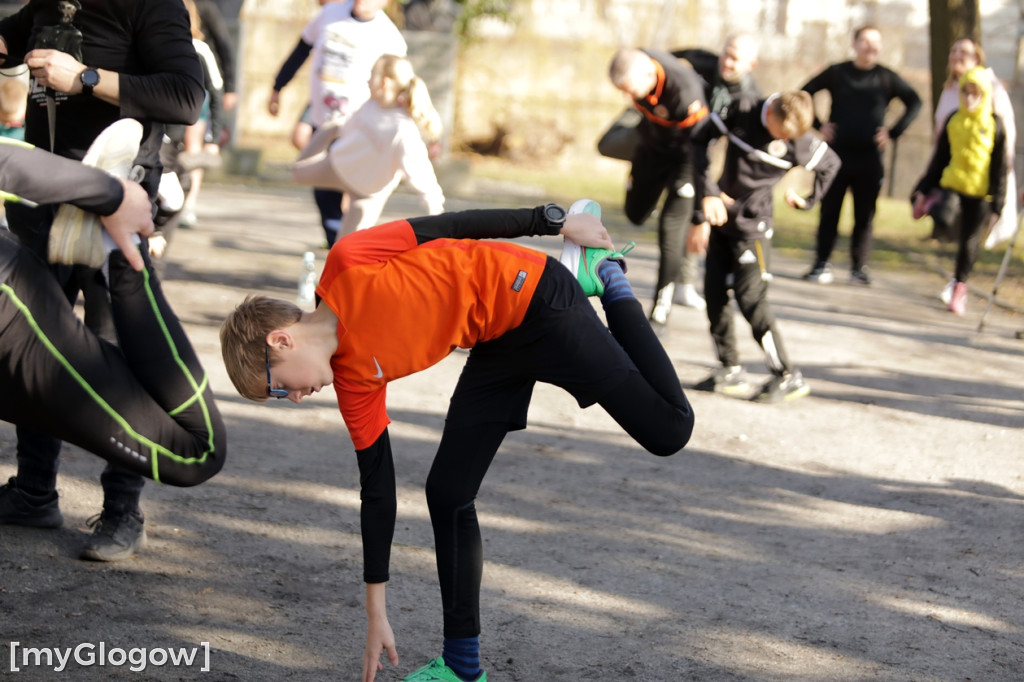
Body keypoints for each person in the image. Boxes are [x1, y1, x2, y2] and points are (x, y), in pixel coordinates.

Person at [219, 201, 694, 682]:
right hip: (497, 339)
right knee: (447, 492)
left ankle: (608, 278)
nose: (294, 398)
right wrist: (375, 613)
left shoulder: (350, 261)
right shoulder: (353, 383)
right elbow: (378, 492)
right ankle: (463, 667)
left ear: (281, 341)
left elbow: (453, 226)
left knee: (669, 431)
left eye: (278, 388)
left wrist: (554, 221)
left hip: (537, 297)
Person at [0, 0, 205, 561]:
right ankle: (34, 491)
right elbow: (6, 41)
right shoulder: (48, 2)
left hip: (117, 199)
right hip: (44, 198)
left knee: (119, 353)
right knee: (36, 351)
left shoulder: (150, 6)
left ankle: (122, 512)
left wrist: (85, 79)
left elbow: (187, 98)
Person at [0, 137, 225, 494]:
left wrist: (113, 195)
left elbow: (5, 158)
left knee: (195, 452)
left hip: (10, 307)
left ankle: (120, 253)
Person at [687, 91, 840, 402]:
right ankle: (730, 367)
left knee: (751, 299)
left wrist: (808, 201)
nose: (785, 141)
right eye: (781, 134)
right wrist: (709, 192)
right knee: (714, 295)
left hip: (754, 228)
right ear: (770, 114)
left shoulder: (798, 139)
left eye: (790, 138)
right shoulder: (742, 107)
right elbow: (698, 140)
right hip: (722, 217)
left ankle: (787, 375)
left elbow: (830, 164)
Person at [268, 0, 406, 247]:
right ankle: (338, 236)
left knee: (339, 180)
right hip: (322, 116)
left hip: (356, 124)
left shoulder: (390, 38)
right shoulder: (329, 15)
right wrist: (278, 86)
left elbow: (402, 85)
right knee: (319, 179)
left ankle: (341, 240)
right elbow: (301, 50)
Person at [800, 25, 922, 286]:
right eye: (865, 41)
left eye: (875, 43)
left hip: (868, 160)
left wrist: (893, 132)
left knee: (864, 216)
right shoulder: (837, 72)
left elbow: (915, 101)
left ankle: (859, 268)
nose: (870, 47)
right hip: (835, 157)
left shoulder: (886, 77)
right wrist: (819, 125)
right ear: (855, 44)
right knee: (829, 212)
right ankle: (822, 264)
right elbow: (804, 92)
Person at [605, 47, 711, 334]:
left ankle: (660, 313)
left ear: (650, 74)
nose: (628, 98)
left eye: (630, 90)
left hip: (686, 157)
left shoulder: (685, 91)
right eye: (622, 91)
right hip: (652, 148)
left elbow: (701, 151)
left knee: (670, 230)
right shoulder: (640, 65)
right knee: (635, 214)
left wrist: (700, 212)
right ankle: (647, 184)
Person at [291, 54, 443, 237]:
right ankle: (329, 130)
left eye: (372, 76)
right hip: (339, 166)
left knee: (347, 248)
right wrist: (334, 129)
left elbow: (421, 173)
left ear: (384, 83)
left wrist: (437, 213)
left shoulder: (403, 130)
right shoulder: (370, 105)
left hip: (368, 193)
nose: (368, 81)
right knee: (298, 172)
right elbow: (348, 129)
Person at [926, 38, 1017, 304]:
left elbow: (1003, 143)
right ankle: (956, 280)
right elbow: (942, 141)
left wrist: (999, 194)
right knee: (949, 221)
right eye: (953, 50)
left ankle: (958, 283)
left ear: (978, 58)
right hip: (954, 174)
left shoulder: (993, 94)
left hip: (982, 180)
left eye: (964, 52)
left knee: (970, 236)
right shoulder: (951, 91)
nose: (956, 56)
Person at [911, 66, 1007, 316]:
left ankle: (959, 288)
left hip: (980, 193)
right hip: (953, 185)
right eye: (966, 93)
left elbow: (999, 169)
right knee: (944, 218)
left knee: (969, 242)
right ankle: (932, 203)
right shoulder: (954, 119)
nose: (970, 98)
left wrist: (998, 204)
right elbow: (940, 158)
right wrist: (922, 188)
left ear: (984, 95)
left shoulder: (995, 125)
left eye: (975, 94)